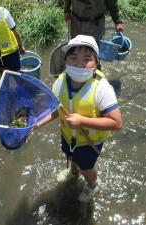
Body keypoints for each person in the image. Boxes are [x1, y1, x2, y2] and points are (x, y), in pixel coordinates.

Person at [36, 35, 122, 202]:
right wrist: (35, 125)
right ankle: (73, 173)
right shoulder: (60, 82)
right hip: (68, 136)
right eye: (73, 58)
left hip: (89, 142)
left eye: (86, 59)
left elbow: (117, 123)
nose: (79, 63)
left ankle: (92, 184)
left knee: (87, 167)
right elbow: (56, 111)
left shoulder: (102, 88)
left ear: (96, 63)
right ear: (66, 61)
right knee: (69, 156)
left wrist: (82, 121)